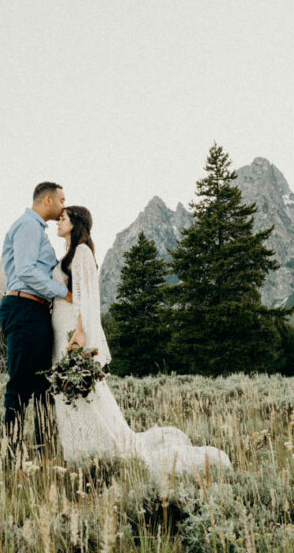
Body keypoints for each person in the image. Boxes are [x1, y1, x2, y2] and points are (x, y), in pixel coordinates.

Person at [51, 205, 232, 480]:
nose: (57, 221)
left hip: (72, 333)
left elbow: (86, 298)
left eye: (62, 218)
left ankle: (95, 451)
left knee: (83, 394)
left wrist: (80, 333)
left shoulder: (82, 253)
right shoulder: (67, 255)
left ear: (76, 223)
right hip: (60, 330)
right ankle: (79, 451)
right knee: (70, 395)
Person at [0, 181, 68, 466]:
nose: (64, 205)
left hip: (32, 309)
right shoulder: (28, 226)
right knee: (21, 385)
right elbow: (25, 270)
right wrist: (63, 292)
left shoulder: (33, 229)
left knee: (41, 385)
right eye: (62, 200)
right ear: (48, 199)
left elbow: (17, 268)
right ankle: (11, 456)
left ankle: (44, 455)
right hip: (25, 307)